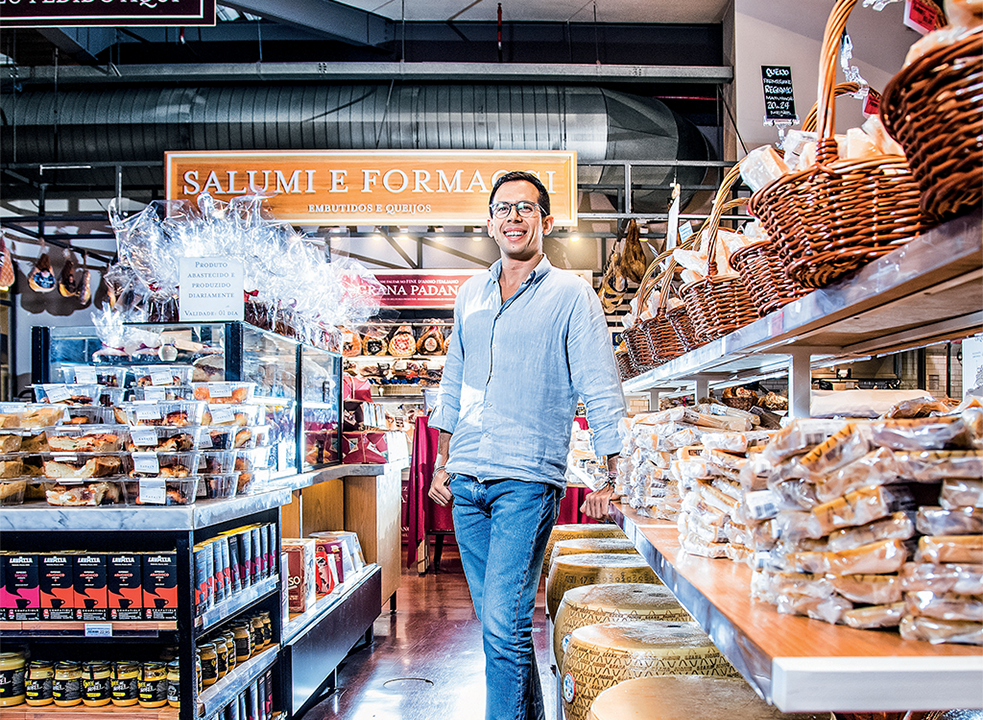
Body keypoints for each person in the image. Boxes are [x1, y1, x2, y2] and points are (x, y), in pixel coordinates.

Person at [427, 171, 626, 720]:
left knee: (504, 626)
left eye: (525, 207)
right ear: (489, 223)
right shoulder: (471, 294)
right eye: (503, 208)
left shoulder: (571, 295)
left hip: (526, 479)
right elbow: (455, 381)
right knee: (499, 626)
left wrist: (611, 476)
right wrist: (442, 461)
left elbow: (599, 385)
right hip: (466, 480)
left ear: (546, 221)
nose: (513, 216)